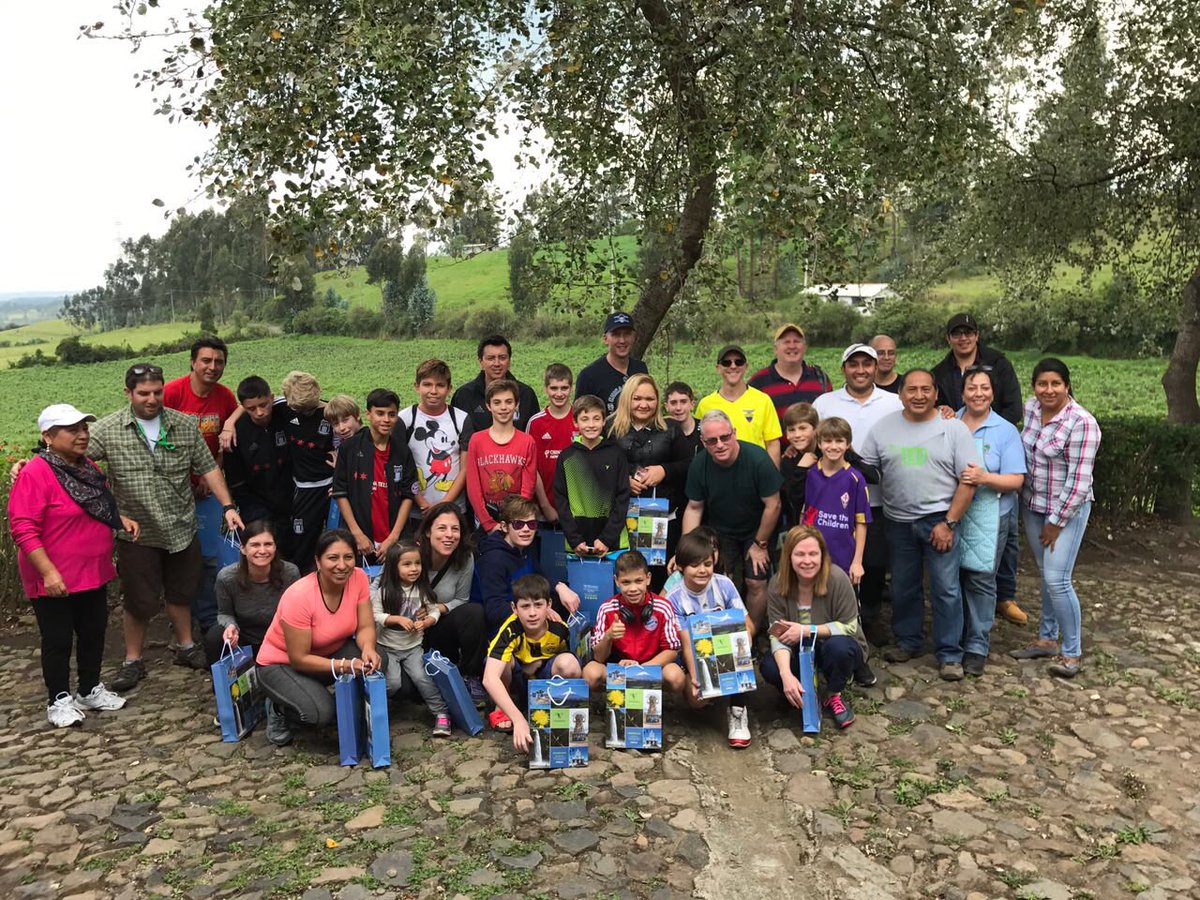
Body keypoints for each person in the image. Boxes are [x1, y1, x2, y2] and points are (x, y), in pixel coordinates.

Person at [88, 364, 245, 692]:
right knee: (138, 599)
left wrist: (227, 505)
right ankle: (133, 660)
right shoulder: (109, 429)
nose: (151, 399)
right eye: (143, 393)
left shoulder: (184, 425)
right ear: (128, 393)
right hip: (137, 530)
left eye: (157, 392)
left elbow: (208, 468)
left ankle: (186, 647)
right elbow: (74, 453)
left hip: (180, 525)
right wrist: (33, 463)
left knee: (181, 590)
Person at [9, 404, 138, 727]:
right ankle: (58, 699)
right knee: (58, 638)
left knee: (94, 631)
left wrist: (117, 519)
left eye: (84, 428)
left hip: (91, 570)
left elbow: (93, 505)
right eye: (72, 430)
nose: (82, 435)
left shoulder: (87, 466)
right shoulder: (35, 472)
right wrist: (48, 571)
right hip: (54, 574)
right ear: (48, 437)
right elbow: (23, 527)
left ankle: (89, 688)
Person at [858, 369, 979, 681]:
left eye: (926, 389)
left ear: (936, 394)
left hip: (939, 520)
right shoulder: (883, 428)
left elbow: (969, 481)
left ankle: (950, 653)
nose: (919, 395)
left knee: (946, 588)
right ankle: (908, 641)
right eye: (912, 389)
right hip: (897, 521)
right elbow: (864, 470)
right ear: (901, 394)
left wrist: (950, 522)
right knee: (903, 586)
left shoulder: (953, 429)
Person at [1009, 359, 1100, 679]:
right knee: (1047, 574)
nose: (1048, 390)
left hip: (1066, 511)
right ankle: (1047, 639)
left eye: (1055, 384)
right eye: (1042, 384)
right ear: (1034, 386)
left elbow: (1079, 481)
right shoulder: (1032, 408)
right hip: (1033, 505)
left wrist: (1056, 521)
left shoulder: (1082, 423)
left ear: (1067, 385)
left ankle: (1072, 653)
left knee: (1058, 579)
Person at [255, 529, 385, 747]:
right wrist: (345, 665)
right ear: (318, 561)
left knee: (379, 658)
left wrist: (369, 648)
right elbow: (299, 658)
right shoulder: (299, 596)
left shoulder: (359, 578)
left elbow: (364, 627)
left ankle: (328, 697)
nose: (342, 565)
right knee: (319, 714)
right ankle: (278, 706)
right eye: (333, 558)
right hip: (283, 663)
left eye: (348, 557)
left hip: (328, 653)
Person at [812, 343, 903, 646]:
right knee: (831, 559)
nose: (861, 370)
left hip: (878, 496)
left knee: (873, 562)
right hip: (831, 499)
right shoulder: (825, 402)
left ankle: (871, 617)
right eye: (854, 364)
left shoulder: (893, 401)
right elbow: (809, 440)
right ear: (844, 369)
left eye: (867, 364)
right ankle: (829, 618)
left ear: (876, 368)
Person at [163, 337, 239, 636]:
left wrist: (231, 422)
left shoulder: (223, 396)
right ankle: (180, 617)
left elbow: (236, 417)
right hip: (174, 489)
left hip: (208, 488)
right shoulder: (172, 393)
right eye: (206, 360)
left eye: (218, 361)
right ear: (193, 362)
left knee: (210, 556)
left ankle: (207, 617)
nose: (212, 366)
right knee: (179, 555)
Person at [681, 410, 783, 630]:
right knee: (714, 579)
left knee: (755, 580)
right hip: (720, 530)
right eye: (712, 440)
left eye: (725, 437)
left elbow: (773, 504)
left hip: (758, 529)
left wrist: (760, 544)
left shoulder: (757, 459)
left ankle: (751, 634)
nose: (720, 444)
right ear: (703, 442)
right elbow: (694, 507)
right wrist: (686, 550)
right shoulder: (700, 464)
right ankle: (719, 631)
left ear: (734, 433)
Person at [761, 526, 869, 730]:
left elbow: (850, 627)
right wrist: (785, 675)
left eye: (813, 554)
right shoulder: (777, 584)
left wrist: (807, 630)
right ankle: (795, 689)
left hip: (833, 644)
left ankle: (833, 694)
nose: (807, 561)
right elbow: (777, 634)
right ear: (789, 557)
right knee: (770, 667)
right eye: (800, 554)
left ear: (822, 555)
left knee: (840, 649)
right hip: (797, 648)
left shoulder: (837, 579)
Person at [956, 367, 1026, 677]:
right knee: (950, 578)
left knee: (981, 579)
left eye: (985, 388)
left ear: (993, 394)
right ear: (962, 393)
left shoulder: (1005, 430)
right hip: (952, 512)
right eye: (972, 388)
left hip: (989, 515)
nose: (978, 393)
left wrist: (984, 478)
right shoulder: (949, 422)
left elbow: (1016, 480)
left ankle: (977, 645)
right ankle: (952, 639)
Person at [666, 531, 754, 748]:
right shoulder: (675, 597)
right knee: (698, 700)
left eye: (707, 563)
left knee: (741, 648)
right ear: (680, 566)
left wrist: (742, 647)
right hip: (693, 655)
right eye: (694, 565)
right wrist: (697, 678)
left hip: (724, 647)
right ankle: (707, 689)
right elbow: (685, 642)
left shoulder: (724, 585)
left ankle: (738, 711)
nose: (702, 570)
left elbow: (746, 623)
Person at [606, 374, 693, 586]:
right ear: (627, 398)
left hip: (662, 518)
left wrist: (664, 470)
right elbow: (600, 464)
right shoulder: (611, 427)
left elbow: (690, 463)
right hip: (622, 517)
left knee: (657, 576)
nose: (644, 405)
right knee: (625, 574)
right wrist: (623, 478)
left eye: (650, 399)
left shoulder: (670, 427)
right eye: (637, 399)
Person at [483, 574, 581, 739]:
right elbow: (489, 678)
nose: (533, 613)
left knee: (569, 664)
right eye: (525, 606)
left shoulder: (559, 629)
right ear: (514, 608)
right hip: (517, 680)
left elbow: (571, 667)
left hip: (543, 681)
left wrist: (538, 664)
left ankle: (558, 708)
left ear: (548, 605)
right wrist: (520, 721)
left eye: (538, 605)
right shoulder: (509, 630)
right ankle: (502, 707)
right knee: (499, 663)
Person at [370, 541, 452, 736]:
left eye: (417, 563)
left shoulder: (422, 590)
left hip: (413, 647)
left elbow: (434, 610)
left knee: (422, 678)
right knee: (393, 682)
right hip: (387, 647)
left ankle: (441, 713)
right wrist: (394, 619)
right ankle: (376, 710)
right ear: (393, 567)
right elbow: (374, 614)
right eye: (407, 564)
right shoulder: (384, 592)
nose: (414, 568)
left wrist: (428, 622)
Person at [582, 552, 686, 695]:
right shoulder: (607, 608)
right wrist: (609, 636)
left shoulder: (663, 607)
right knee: (590, 672)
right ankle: (602, 705)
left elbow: (672, 651)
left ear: (648, 579)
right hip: (618, 669)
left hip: (651, 668)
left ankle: (665, 706)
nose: (633, 589)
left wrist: (640, 669)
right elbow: (599, 658)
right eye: (626, 582)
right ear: (616, 581)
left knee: (675, 675)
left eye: (638, 581)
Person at [332, 388, 417, 562]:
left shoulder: (402, 451)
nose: (386, 420)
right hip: (359, 539)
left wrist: (394, 537)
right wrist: (357, 534)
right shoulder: (350, 448)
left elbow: (408, 495)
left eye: (392, 414)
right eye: (380, 413)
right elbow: (340, 492)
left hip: (393, 539)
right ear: (368, 414)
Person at [473, 496, 581, 631]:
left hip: (524, 609)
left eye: (532, 524)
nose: (526, 529)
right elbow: (495, 611)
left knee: (561, 596)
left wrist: (561, 588)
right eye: (518, 524)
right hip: (502, 627)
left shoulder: (524, 547)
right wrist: (539, 612)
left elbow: (538, 577)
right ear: (505, 527)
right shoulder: (493, 559)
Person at [416, 503, 487, 705]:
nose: (449, 535)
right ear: (428, 531)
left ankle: (470, 676)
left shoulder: (464, 557)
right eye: (442, 528)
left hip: (440, 627)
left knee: (474, 612)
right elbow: (384, 589)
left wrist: (436, 608)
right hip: (410, 631)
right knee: (410, 692)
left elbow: (462, 600)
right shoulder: (411, 554)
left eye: (455, 529)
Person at [202, 520, 300, 665]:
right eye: (255, 545)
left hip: (279, 637)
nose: (262, 550)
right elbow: (224, 613)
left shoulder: (290, 573)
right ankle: (223, 684)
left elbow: (298, 613)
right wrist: (230, 626)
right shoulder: (227, 577)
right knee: (215, 636)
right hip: (244, 637)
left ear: (275, 547)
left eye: (268, 544)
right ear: (242, 548)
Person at [398, 359, 474, 525]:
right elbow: (399, 465)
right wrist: (420, 501)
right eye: (427, 384)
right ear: (417, 386)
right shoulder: (405, 419)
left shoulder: (461, 419)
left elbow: (465, 468)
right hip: (415, 509)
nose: (433, 391)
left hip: (453, 510)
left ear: (449, 389)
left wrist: (445, 503)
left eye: (440, 385)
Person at [554, 394, 631, 556]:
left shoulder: (616, 455)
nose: (591, 424)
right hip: (578, 543)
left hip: (612, 542)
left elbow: (622, 497)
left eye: (596, 419)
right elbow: (561, 500)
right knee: (579, 581)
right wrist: (574, 539)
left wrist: (607, 538)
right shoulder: (566, 457)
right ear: (575, 422)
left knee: (614, 580)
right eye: (585, 419)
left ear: (604, 421)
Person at [464, 379, 538, 533]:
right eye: (497, 402)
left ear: (517, 404)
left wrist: (515, 520)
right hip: (485, 521)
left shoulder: (527, 441)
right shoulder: (477, 440)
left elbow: (528, 489)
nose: (503, 408)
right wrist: (488, 523)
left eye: (509, 402)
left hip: (516, 523)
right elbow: (473, 487)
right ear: (488, 405)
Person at [803, 417, 871, 584]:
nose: (833, 446)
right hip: (813, 553)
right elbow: (806, 513)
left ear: (847, 444)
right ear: (819, 443)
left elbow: (861, 522)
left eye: (839, 441)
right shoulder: (811, 473)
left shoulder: (855, 478)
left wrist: (857, 562)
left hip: (843, 556)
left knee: (840, 604)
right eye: (827, 441)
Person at [224, 376, 292, 540]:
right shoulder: (235, 432)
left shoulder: (286, 414)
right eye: (251, 409)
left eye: (263, 405)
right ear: (243, 407)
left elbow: (316, 404)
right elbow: (235, 478)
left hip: (291, 500)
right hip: (256, 505)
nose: (259, 412)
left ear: (272, 398)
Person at [697, 345, 783, 465]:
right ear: (718, 368)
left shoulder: (763, 400)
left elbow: (772, 443)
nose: (733, 366)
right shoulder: (705, 405)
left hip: (756, 472)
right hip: (719, 471)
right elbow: (701, 444)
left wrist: (772, 476)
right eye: (726, 363)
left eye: (739, 362)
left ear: (746, 366)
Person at [932, 313, 1022, 424]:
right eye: (956, 334)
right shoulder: (938, 374)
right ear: (948, 338)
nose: (963, 338)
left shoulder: (998, 364)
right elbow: (931, 410)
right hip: (954, 436)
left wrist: (992, 431)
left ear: (977, 335)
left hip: (995, 436)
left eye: (968, 333)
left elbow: (1014, 409)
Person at [451, 334, 540, 431]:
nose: (497, 363)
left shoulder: (526, 394)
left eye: (502, 357)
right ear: (481, 362)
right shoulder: (464, 395)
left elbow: (534, 433)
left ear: (509, 361)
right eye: (491, 358)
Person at [748, 323, 833, 422]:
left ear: (805, 347)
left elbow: (829, 419)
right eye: (786, 342)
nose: (792, 346)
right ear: (775, 349)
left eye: (796, 341)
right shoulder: (758, 381)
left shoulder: (820, 378)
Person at [528, 363, 578, 521]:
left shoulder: (582, 420)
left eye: (564, 388)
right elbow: (531, 468)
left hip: (577, 509)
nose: (559, 393)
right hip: (545, 510)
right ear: (545, 389)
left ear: (571, 388)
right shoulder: (536, 423)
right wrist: (545, 506)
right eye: (554, 388)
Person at [574, 311, 650, 414]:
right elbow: (579, 416)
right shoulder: (589, 376)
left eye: (627, 334)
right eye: (616, 335)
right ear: (605, 339)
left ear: (634, 337)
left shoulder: (640, 369)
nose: (622, 340)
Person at [779, 403, 819, 528]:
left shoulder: (828, 453)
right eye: (791, 430)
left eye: (802, 428)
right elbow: (794, 500)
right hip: (802, 527)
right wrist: (801, 469)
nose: (797, 435)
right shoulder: (788, 460)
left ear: (816, 429)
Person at [664, 381, 701, 456]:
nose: (678, 408)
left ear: (692, 404)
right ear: (666, 406)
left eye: (683, 402)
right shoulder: (660, 432)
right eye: (673, 403)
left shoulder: (704, 430)